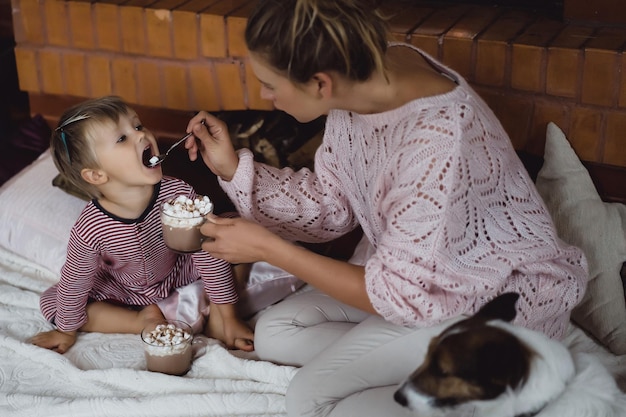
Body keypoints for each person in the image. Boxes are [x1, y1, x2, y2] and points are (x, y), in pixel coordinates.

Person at [183, 0, 588, 415]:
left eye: (270, 84)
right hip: (421, 290)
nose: (265, 97)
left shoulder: (436, 141)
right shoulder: (363, 73)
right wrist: (232, 167)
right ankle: (437, 374)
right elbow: (332, 206)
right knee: (274, 332)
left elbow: (396, 293)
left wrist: (269, 249)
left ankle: (492, 382)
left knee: (308, 396)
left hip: (491, 308)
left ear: (321, 83)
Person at [29, 96, 254, 355]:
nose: (140, 135)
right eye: (122, 138)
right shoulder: (90, 228)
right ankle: (140, 321)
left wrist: (229, 317)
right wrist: (66, 330)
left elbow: (206, 250)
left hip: (178, 268)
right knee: (52, 301)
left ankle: (219, 315)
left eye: (137, 126)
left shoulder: (178, 193)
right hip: (122, 286)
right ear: (97, 175)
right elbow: (76, 279)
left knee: (229, 230)